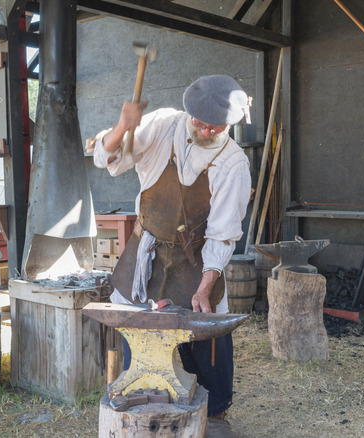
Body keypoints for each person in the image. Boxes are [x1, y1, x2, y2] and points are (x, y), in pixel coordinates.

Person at [92, 75, 252, 437]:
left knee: (207, 337)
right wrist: (122, 126)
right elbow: (107, 157)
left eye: (215, 125)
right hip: (144, 251)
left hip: (195, 259)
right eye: (199, 121)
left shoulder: (233, 163)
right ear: (188, 111)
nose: (206, 129)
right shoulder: (164, 124)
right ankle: (142, 400)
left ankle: (216, 413)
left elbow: (223, 235)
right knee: (140, 332)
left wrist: (206, 284)